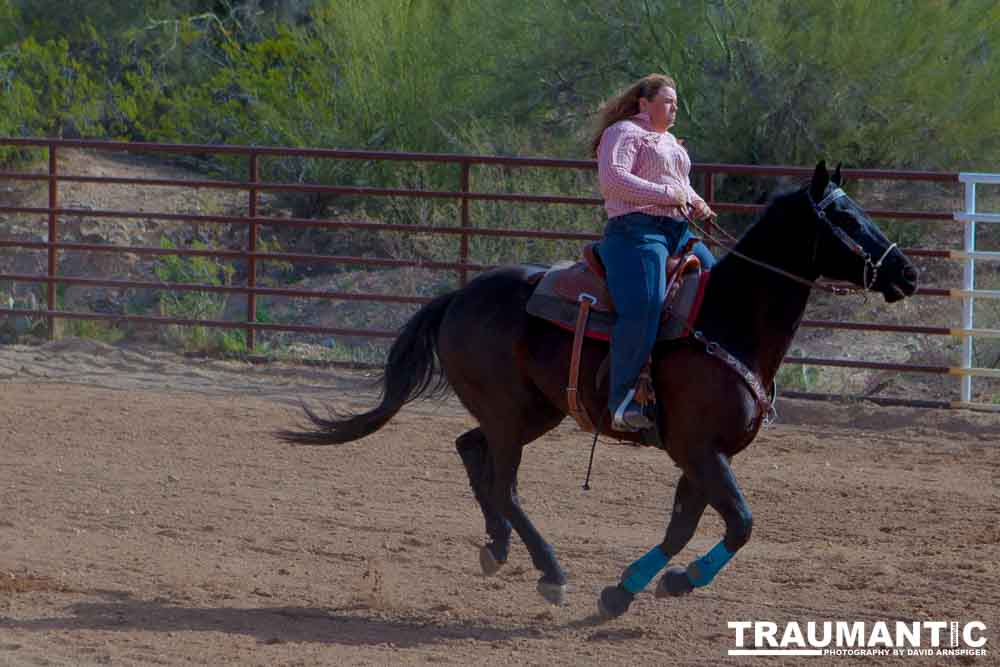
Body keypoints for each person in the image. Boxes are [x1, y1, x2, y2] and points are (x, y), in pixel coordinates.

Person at [591, 73, 717, 431]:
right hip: (635, 232)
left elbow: (680, 186)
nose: (673, 108)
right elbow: (613, 180)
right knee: (645, 305)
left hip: (677, 232)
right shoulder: (624, 133)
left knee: (718, 288)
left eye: (676, 103)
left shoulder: (668, 142)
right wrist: (668, 196)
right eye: (666, 101)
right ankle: (622, 400)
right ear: (644, 103)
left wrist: (695, 201)